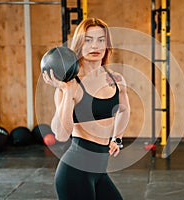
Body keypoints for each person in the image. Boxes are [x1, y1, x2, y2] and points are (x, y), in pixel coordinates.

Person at [42, 18, 130, 200]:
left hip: (99, 171)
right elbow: (61, 134)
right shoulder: (70, 84)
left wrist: (117, 138)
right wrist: (67, 93)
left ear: (107, 45)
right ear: (80, 44)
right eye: (88, 40)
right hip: (75, 173)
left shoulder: (114, 79)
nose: (95, 46)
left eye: (100, 40)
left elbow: (124, 110)